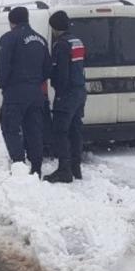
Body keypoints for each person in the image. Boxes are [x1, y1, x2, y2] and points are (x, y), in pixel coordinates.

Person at [0, 6, 51, 175]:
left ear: (11, 22)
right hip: (36, 92)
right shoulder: (41, 40)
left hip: (15, 91)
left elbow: (3, 66)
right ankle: (36, 168)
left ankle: (19, 165)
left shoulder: (9, 38)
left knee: (10, 128)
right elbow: (48, 69)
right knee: (33, 130)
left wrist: (3, 84)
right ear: (27, 19)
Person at [43, 10, 87, 183]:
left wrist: (53, 81)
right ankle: (76, 168)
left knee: (60, 131)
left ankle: (64, 170)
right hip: (80, 92)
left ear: (54, 27)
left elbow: (60, 73)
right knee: (75, 130)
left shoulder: (61, 45)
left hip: (67, 94)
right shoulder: (77, 42)